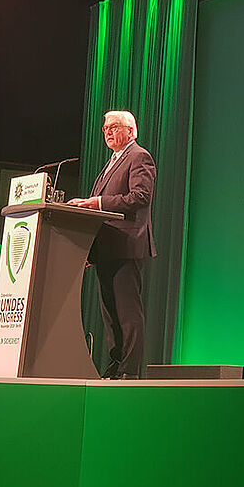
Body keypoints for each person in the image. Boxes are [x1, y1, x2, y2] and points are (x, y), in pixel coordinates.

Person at [67, 110, 156, 379]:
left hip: (126, 244)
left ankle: (130, 371)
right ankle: (115, 366)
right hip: (106, 248)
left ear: (131, 131)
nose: (107, 132)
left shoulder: (139, 156)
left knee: (127, 314)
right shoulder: (111, 162)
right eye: (105, 127)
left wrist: (97, 202)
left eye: (114, 127)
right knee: (110, 315)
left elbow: (140, 196)